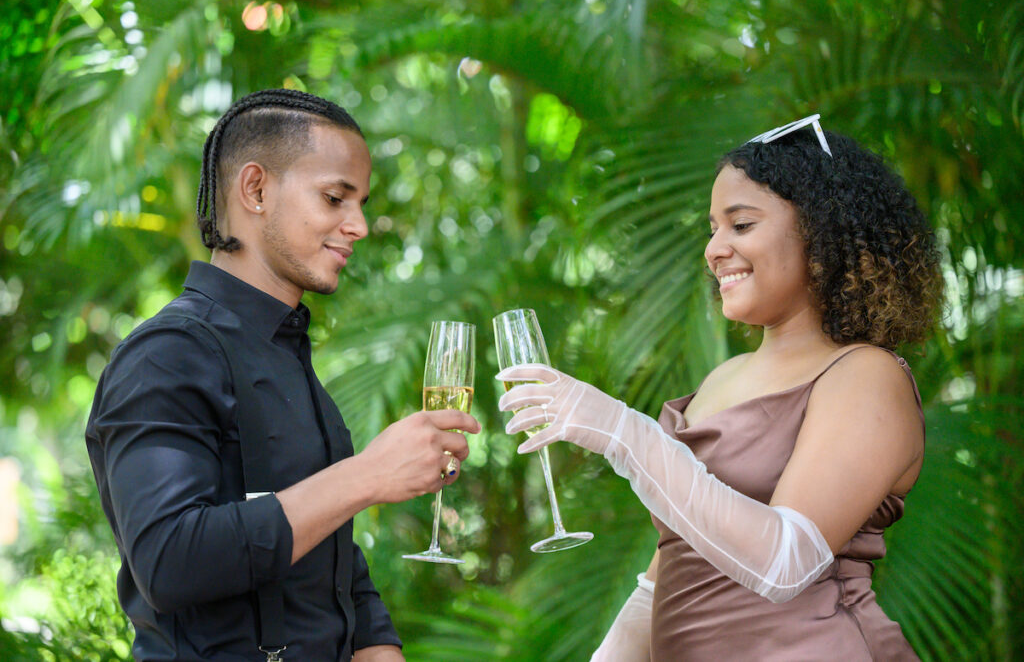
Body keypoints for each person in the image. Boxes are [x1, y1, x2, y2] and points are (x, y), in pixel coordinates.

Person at [498, 115, 943, 660]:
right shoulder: (720, 381)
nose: (713, 250)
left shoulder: (866, 376)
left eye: (741, 224)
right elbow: (665, 579)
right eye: (712, 228)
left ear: (821, 231)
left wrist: (624, 432)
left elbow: (787, 563)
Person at [85, 89, 478, 661]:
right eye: (335, 198)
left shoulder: (288, 355)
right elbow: (169, 562)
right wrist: (366, 475)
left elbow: (331, 568)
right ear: (256, 189)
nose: (360, 225)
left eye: (361, 202)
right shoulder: (165, 354)